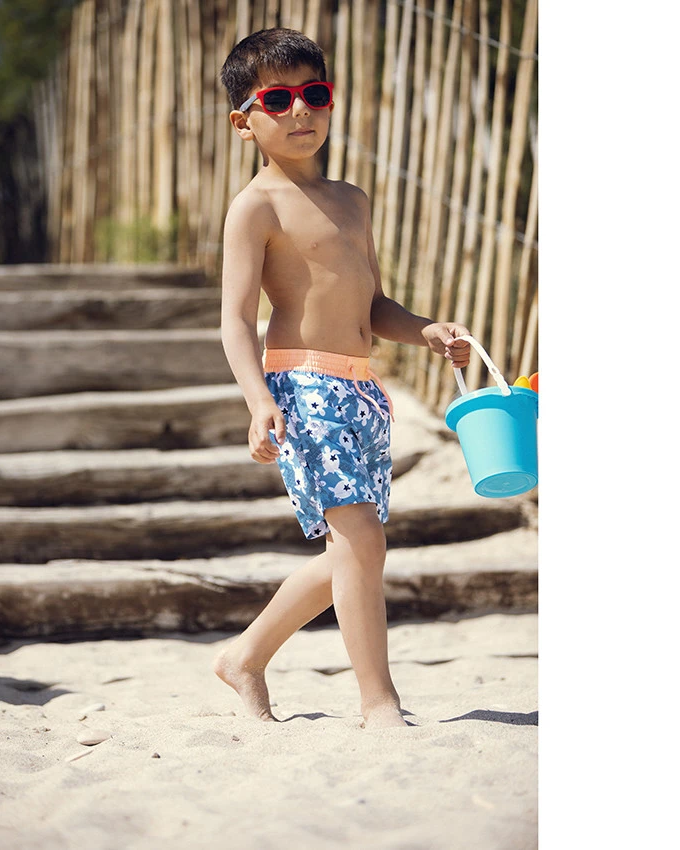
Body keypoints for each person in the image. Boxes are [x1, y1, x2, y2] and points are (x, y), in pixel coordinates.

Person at [213, 27, 471, 729]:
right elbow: (235, 319)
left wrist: (425, 329)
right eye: (278, 100)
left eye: (315, 93)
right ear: (244, 122)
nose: (301, 110)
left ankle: (245, 657)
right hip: (303, 387)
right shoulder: (257, 207)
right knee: (359, 540)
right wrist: (258, 401)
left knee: (356, 550)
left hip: (361, 388)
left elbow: (373, 304)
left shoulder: (352, 200)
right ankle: (377, 700)